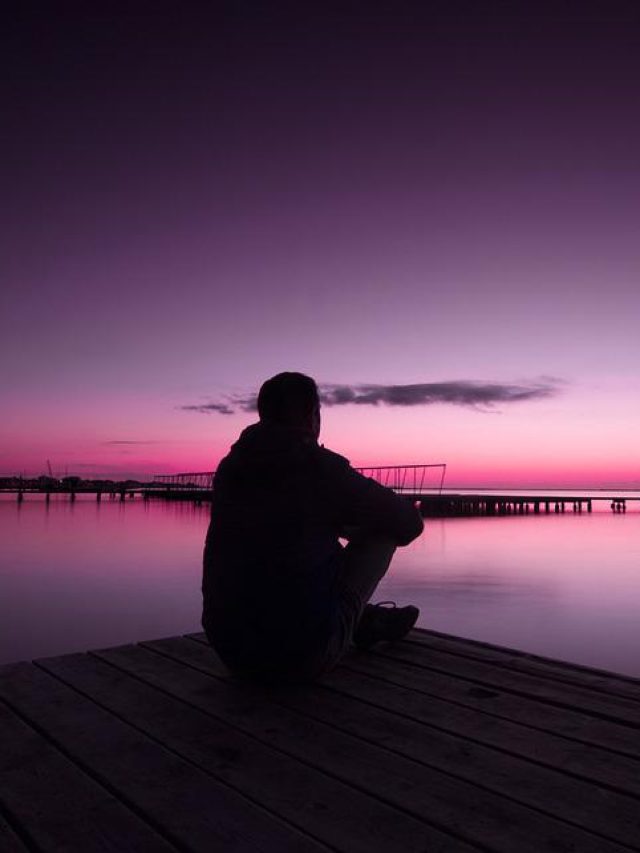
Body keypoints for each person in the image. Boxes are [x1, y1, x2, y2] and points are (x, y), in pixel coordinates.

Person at [202, 371, 424, 684]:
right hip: (300, 659)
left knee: (297, 550)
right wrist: (356, 528)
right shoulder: (320, 468)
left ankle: (363, 621)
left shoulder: (230, 468)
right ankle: (357, 623)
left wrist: (332, 523)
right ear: (312, 416)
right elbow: (408, 524)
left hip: (231, 651)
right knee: (383, 532)